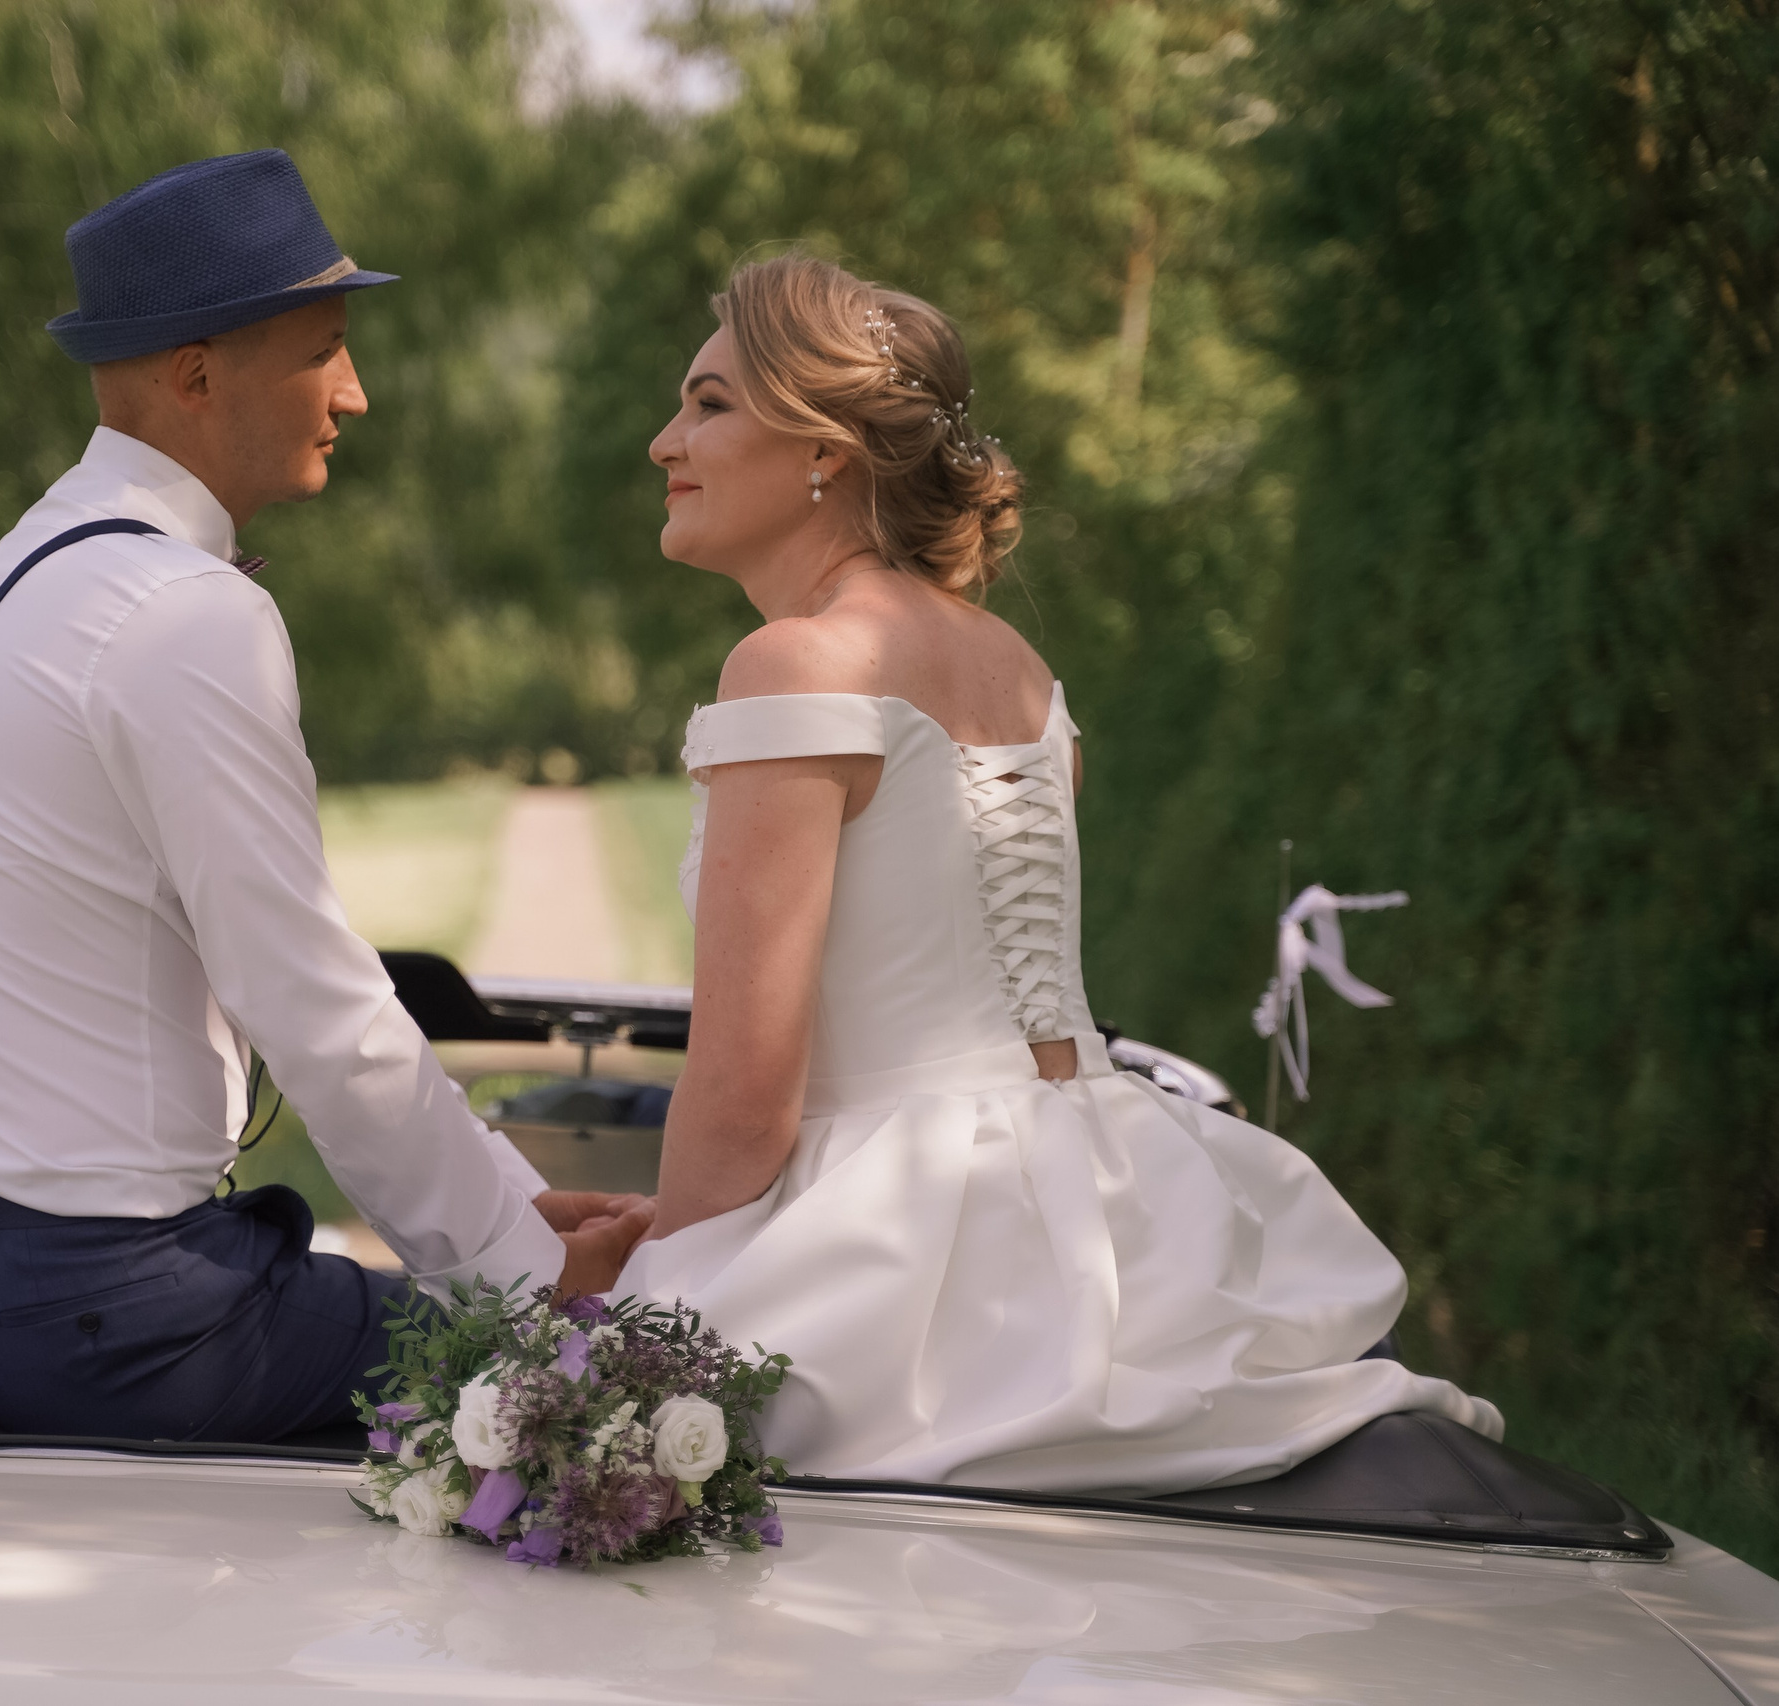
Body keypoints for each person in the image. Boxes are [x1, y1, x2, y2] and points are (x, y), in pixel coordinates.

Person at [615, 252, 1500, 1494]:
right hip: (1119, 1207)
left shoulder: (792, 663)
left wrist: (647, 1313)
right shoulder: (1026, 674)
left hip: (904, 1254)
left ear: (827, 447)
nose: (665, 440)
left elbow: (747, 1096)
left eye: (708, 403)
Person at [0, 150, 653, 1444]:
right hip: (101, 1312)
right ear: (200, 371)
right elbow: (312, 1002)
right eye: (324, 348)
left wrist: (499, 1196)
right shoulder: (183, 612)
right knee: (619, 1396)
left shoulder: (11, 574)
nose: (357, 392)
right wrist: (526, 1275)